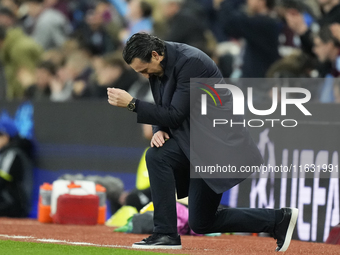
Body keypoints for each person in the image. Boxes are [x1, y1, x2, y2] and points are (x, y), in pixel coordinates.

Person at [107, 33, 298, 252]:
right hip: (194, 143)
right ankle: (278, 219)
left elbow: (175, 113)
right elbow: (163, 105)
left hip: (217, 146)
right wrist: (159, 129)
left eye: (144, 70)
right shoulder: (159, 63)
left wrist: (132, 104)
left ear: (155, 55)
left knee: (157, 156)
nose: (144, 76)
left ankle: (165, 234)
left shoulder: (191, 63)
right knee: (201, 221)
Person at [0, 117, 34, 217]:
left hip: (15, 205)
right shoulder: (4, 153)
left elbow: (2, 181)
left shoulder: (13, 153)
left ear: (6, 137)